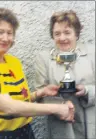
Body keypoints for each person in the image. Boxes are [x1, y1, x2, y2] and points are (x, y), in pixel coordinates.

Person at [0, 7, 75, 139]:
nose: (5, 38)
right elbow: (9, 107)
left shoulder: (13, 62)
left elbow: (20, 100)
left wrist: (40, 93)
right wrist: (57, 108)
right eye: (0, 32)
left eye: (10, 33)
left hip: (26, 132)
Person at [34, 10, 95, 139]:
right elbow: (39, 95)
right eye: (57, 33)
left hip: (91, 122)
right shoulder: (43, 58)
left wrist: (87, 91)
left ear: (76, 34)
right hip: (61, 125)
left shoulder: (92, 54)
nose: (62, 38)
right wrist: (59, 107)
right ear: (52, 35)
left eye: (67, 32)